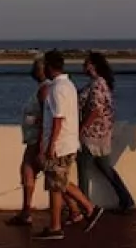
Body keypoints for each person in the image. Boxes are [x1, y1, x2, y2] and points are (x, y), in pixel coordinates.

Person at [33, 50, 104, 241]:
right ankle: (56, 225)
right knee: (57, 185)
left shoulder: (59, 88)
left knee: (58, 184)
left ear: (49, 66)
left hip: (61, 145)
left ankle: (88, 208)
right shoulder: (67, 85)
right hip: (65, 143)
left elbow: (58, 119)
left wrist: (50, 145)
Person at [7, 58, 83, 227]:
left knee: (49, 177)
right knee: (50, 177)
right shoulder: (50, 88)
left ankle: (80, 208)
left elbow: (50, 119)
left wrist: (44, 145)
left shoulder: (46, 90)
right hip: (38, 139)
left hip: (38, 140)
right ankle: (73, 209)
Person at [78, 51, 136, 213]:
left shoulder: (97, 84)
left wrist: (81, 128)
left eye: (86, 63)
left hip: (91, 135)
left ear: (93, 66)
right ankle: (126, 199)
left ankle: (84, 206)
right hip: (102, 135)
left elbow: (95, 110)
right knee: (105, 168)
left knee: (83, 169)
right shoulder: (101, 83)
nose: (83, 66)